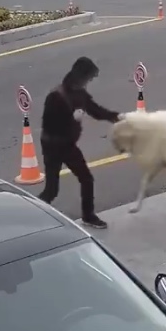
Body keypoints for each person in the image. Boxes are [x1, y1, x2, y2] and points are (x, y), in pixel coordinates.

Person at [38, 57, 121, 229]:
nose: (89, 82)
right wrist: (70, 116)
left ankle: (88, 216)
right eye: (88, 78)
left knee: (86, 179)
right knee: (52, 190)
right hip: (53, 147)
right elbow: (48, 125)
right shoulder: (56, 96)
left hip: (68, 146)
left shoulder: (80, 95)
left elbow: (96, 111)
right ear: (79, 76)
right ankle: (35, 215)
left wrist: (116, 117)